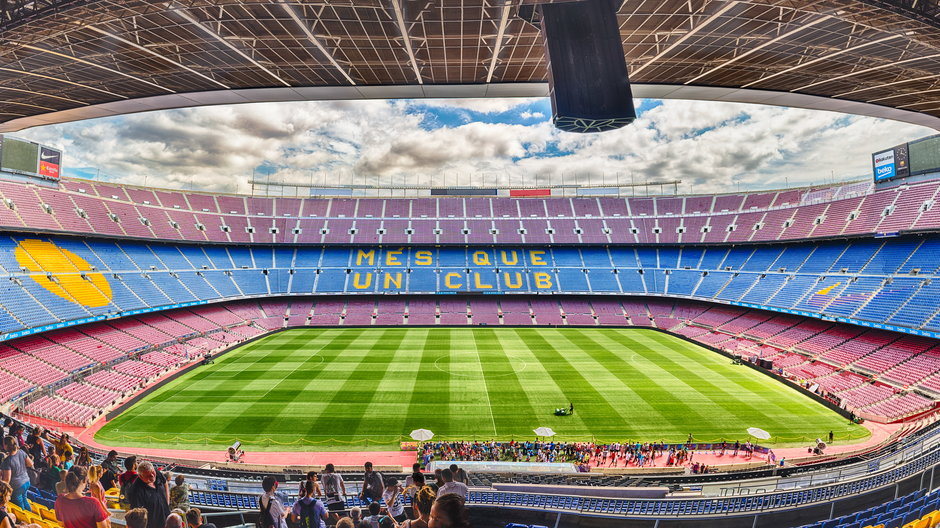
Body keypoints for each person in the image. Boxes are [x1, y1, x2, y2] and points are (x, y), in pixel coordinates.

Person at [126, 462, 170, 528]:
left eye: (153, 472)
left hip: (166, 518)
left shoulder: (156, 472)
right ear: (140, 476)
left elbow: (165, 482)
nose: (152, 476)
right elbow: (138, 515)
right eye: (148, 475)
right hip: (153, 524)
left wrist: (167, 501)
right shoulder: (135, 491)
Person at [0, 436, 33, 511]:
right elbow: (30, 464)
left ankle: (24, 519)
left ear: (6, 445)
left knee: (20, 507)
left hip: (17, 486)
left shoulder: (7, 461)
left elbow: (7, 479)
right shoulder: (21, 452)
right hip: (26, 481)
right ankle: (29, 514)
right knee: (25, 500)